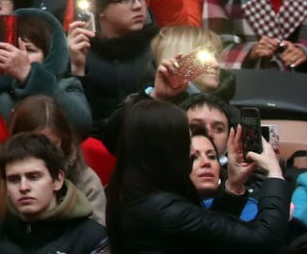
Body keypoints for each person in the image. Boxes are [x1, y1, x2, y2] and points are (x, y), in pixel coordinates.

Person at [105, 98, 290, 253]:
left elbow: (210, 234)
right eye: (186, 142)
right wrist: (274, 173)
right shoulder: (164, 210)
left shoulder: (134, 193)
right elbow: (263, 239)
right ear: (165, 150)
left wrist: (233, 185)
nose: (192, 151)